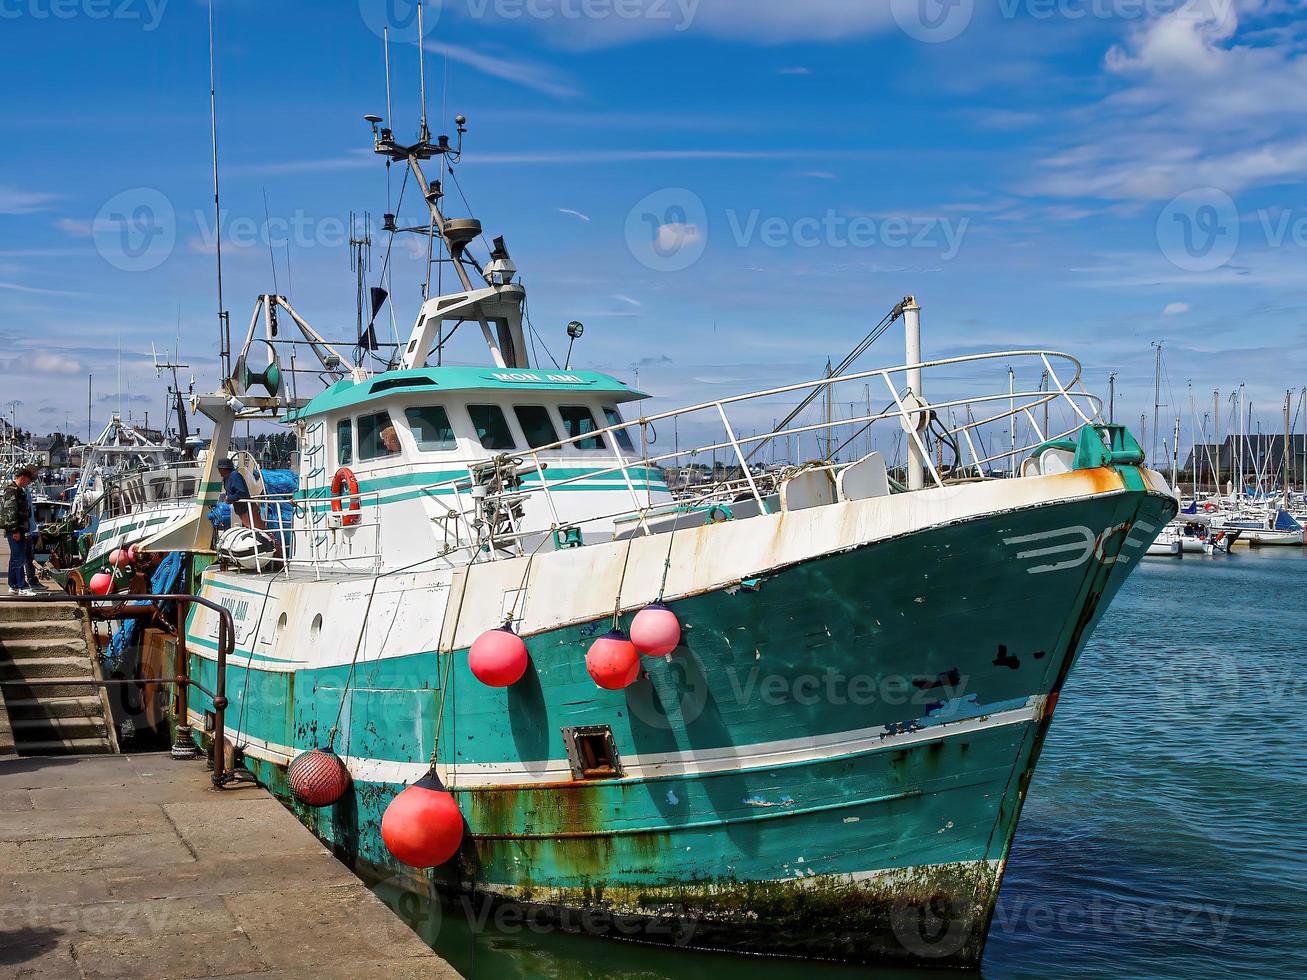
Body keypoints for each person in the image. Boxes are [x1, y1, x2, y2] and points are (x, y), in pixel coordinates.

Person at [1, 465, 38, 596]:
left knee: (14, 559)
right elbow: (10, 512)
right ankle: (23, 586)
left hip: (20, 529)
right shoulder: (12, 491)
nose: (29, 482)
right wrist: (15, 530)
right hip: (15, 530)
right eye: (28, 480)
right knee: (19, 558)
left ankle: (14, 585)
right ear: (22, 477)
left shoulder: (18, 490)